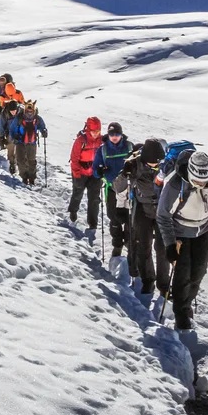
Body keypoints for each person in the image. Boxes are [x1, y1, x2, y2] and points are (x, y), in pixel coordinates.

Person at [157, 150, 208, 330]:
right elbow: (163, 215)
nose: (200, 184)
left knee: (199, 271)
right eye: (196, 181)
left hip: (203, 230)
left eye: (203, 181)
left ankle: (186, 302)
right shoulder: (175, 184)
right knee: (182, 274)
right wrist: (169, 244)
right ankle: (181, 315)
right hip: (180, 232)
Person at [116, 138, 168, 296]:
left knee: (163, 249)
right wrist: (125, 174)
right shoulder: (135, 164)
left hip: (162, 211)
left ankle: (164, 285)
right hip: (142, 209)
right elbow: (117, 186)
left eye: (158, 162)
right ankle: (148, 281)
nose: (156, 166)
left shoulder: (166, 165)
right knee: (142, 246)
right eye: (153, 163)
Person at [95, 122, 134, 258]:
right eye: (112, 134)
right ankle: (117, 244)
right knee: (114, 217)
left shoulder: (129, 147)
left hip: (128, 189)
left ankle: (129, 243)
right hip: (111, 188)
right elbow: (95, 169)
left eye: (117, 134)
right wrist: (99, 171)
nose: (114, 137)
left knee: (130, 217)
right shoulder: (103, 149)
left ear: (121, 134)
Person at [68, 116, 104, 230]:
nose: (96, 134)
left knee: (94, 199)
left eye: (98, 131)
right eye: (93, 131)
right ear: (88, 130)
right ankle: (73, 211)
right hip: (81, 173)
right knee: (77, 193)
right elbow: (74, 158)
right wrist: (77, 174)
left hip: (95, 174)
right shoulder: (81, 140)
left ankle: (93, 223)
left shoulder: (102, 141)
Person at [12, 101, 46, 186]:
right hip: (20, 142)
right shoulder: (19, 118)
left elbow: (42, 126)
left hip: (31, 142)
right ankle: (24, 177)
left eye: (31, 111)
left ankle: (31, 179)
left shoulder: (37, 118)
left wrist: (44, 131)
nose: (30, 112)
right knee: (21, 160)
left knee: (31, 161)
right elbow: (12, 128)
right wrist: (14, 137)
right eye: (28, 111)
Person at [0, 100, 22, 174]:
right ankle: (12, 164)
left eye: (14, 111)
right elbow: (1, 125)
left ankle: (20, 164)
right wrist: (2, 137)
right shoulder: (4, 114)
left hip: (20, 132)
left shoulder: (21, 112)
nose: (13, 112)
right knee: (10, 148)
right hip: (10, 133)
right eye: (11, 111)